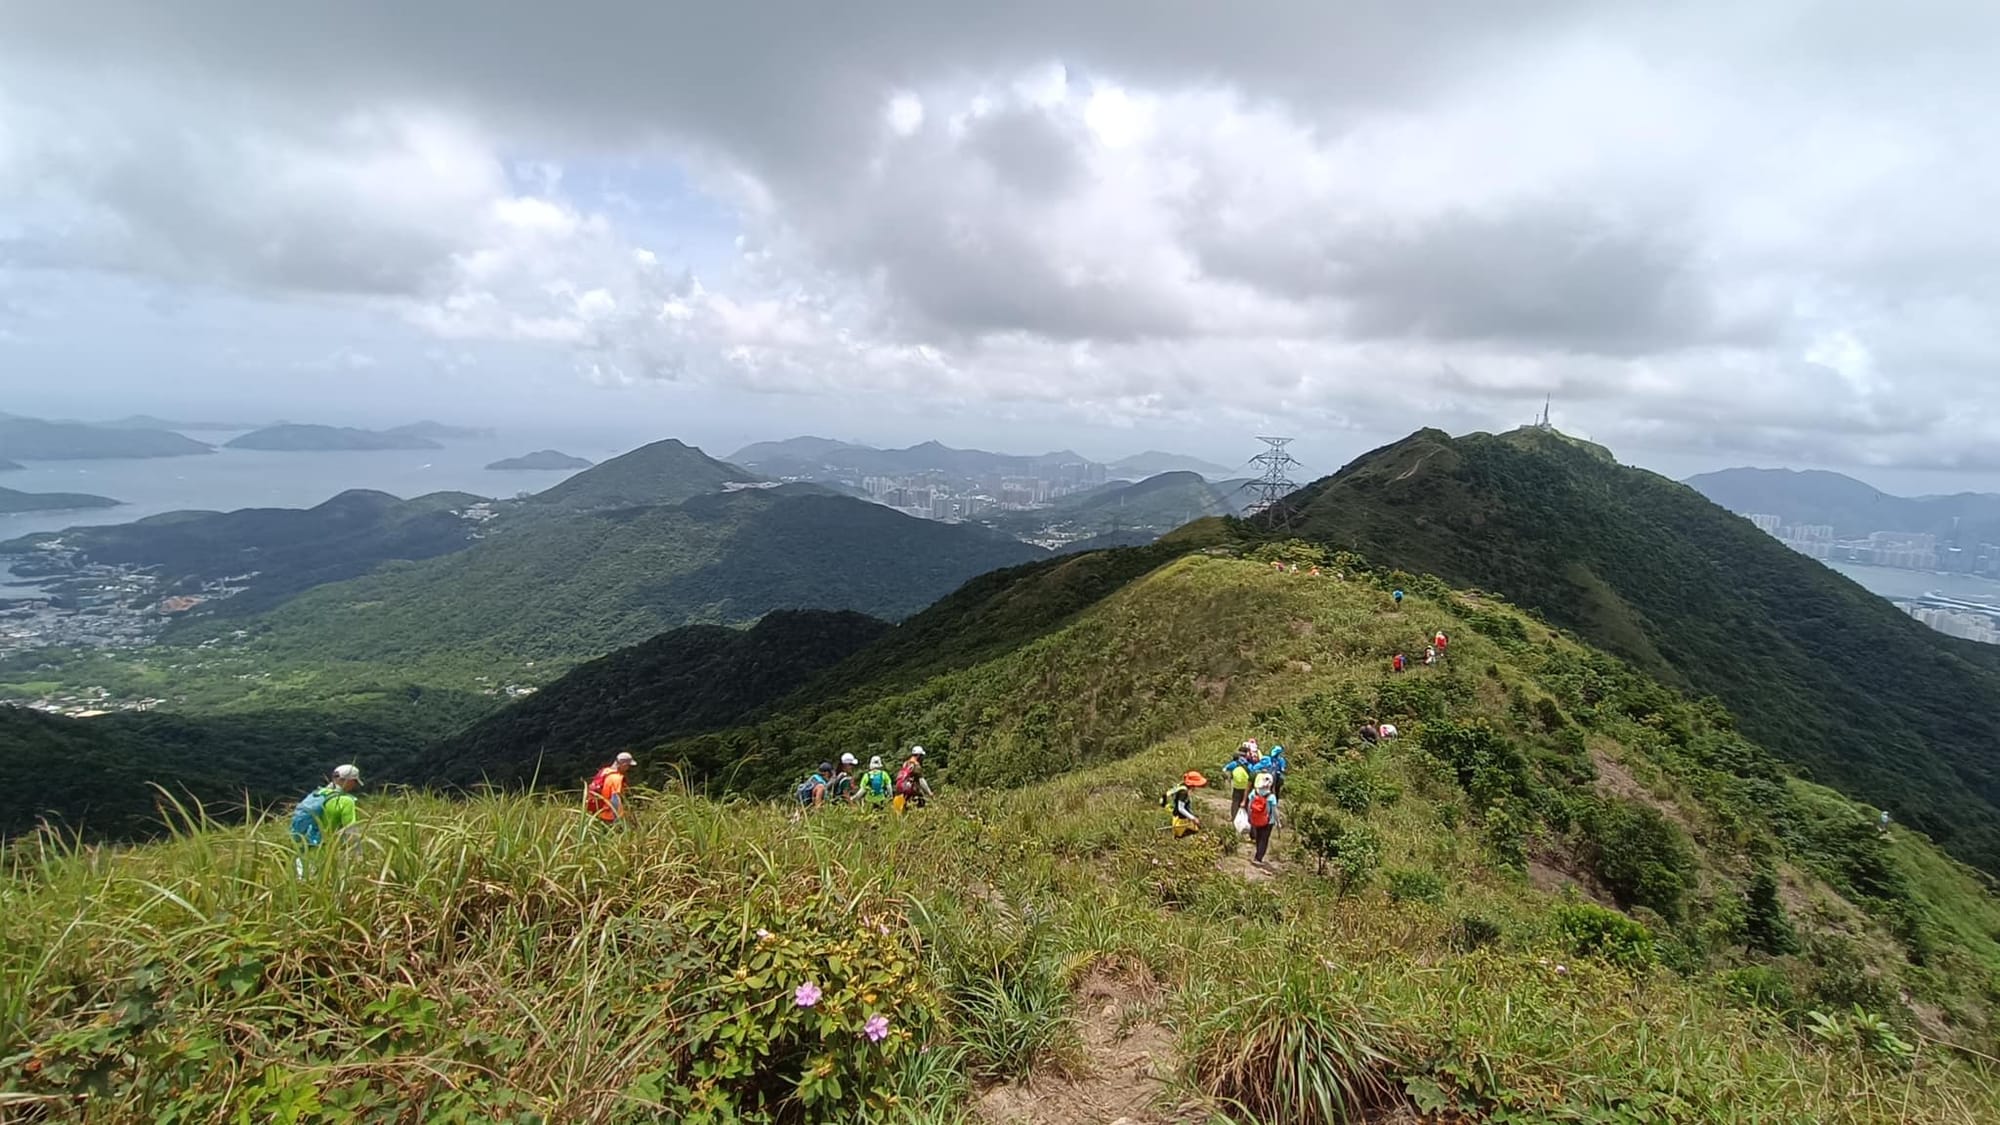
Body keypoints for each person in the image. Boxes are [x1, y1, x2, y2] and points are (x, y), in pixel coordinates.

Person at [290, 764, 362, 875]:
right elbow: (351, 832)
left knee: (304, 887)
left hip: (304, 851)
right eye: (355, 782)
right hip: (326, 856)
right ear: (350, 781)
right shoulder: (346, 801)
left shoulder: (316, 795)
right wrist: (358, 856)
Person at [584, 752, 636, 827]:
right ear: (623, 765)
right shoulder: (616, 778)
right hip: (609, 816)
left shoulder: (605, 771)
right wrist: (616, 819)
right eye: (628, 766)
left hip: (599, 813)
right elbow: (615, 799)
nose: (628, 768)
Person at [1245, 772, 1279, 866]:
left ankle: (1257, 855)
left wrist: (1249, 816)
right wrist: (1278, 822)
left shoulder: (1254, 792)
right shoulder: (1271, 797)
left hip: (1256, 818)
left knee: (1259, 837)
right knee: (1264, 839)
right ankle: (1258, 858)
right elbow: (1275, 811)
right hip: (1268, 821)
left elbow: (1249, 805)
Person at [1164, 771, 1206, 838]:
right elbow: (1181, 808)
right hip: (1180, 820)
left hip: (1182, 818)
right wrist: (1193, 818)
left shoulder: (1182, 785)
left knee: (1196, 830)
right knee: (1181, 837)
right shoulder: (1183, 793)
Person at [893, 746, 934, 813]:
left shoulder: (906, 763)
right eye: (922, 756)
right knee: (921, 805)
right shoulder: (916, 765)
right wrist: (929, 793)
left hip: (900, 791)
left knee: (905, 810)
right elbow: (921, 781)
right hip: (911, 790)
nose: (922, 758)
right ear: (918, 756)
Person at [1223, 742, 1256, 819]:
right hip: (1246, 787)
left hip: (1236, 785)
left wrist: (1228, 777)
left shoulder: (1234, 763)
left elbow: (1225, 769)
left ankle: (1234, 817)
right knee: (1246, 802)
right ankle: (1245, 818)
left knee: (1235, 802)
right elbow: (1253, 773)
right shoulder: (1249, 765)